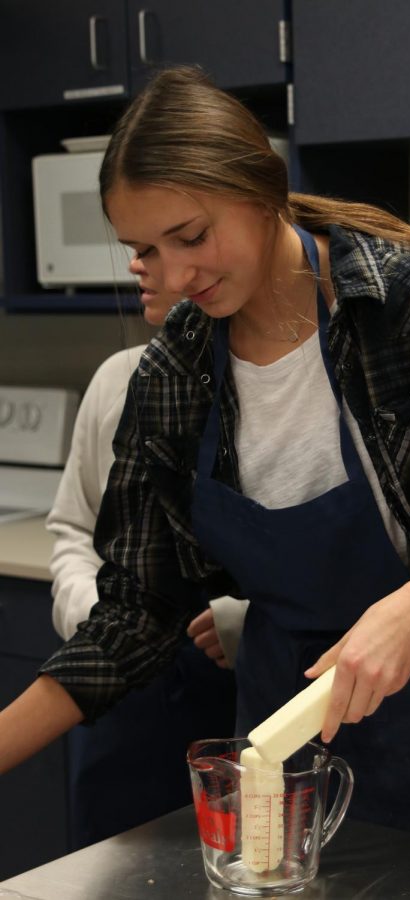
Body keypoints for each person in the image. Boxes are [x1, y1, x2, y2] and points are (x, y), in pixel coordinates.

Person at [1, 66, 410, 854]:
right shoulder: (174, 374)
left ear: (263, 189)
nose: (174, 275)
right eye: (145, 249)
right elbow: (136, 616)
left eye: (192, 236)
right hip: (274, 757)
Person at [46, 255, 245, 847]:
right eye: (136, 244)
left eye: (174, 239)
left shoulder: (273, 384)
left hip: (241, 696)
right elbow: (72, 532)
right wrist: (93, 613)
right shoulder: (117, 378)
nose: (136, 262)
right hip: (120, 700)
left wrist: (248, 625)